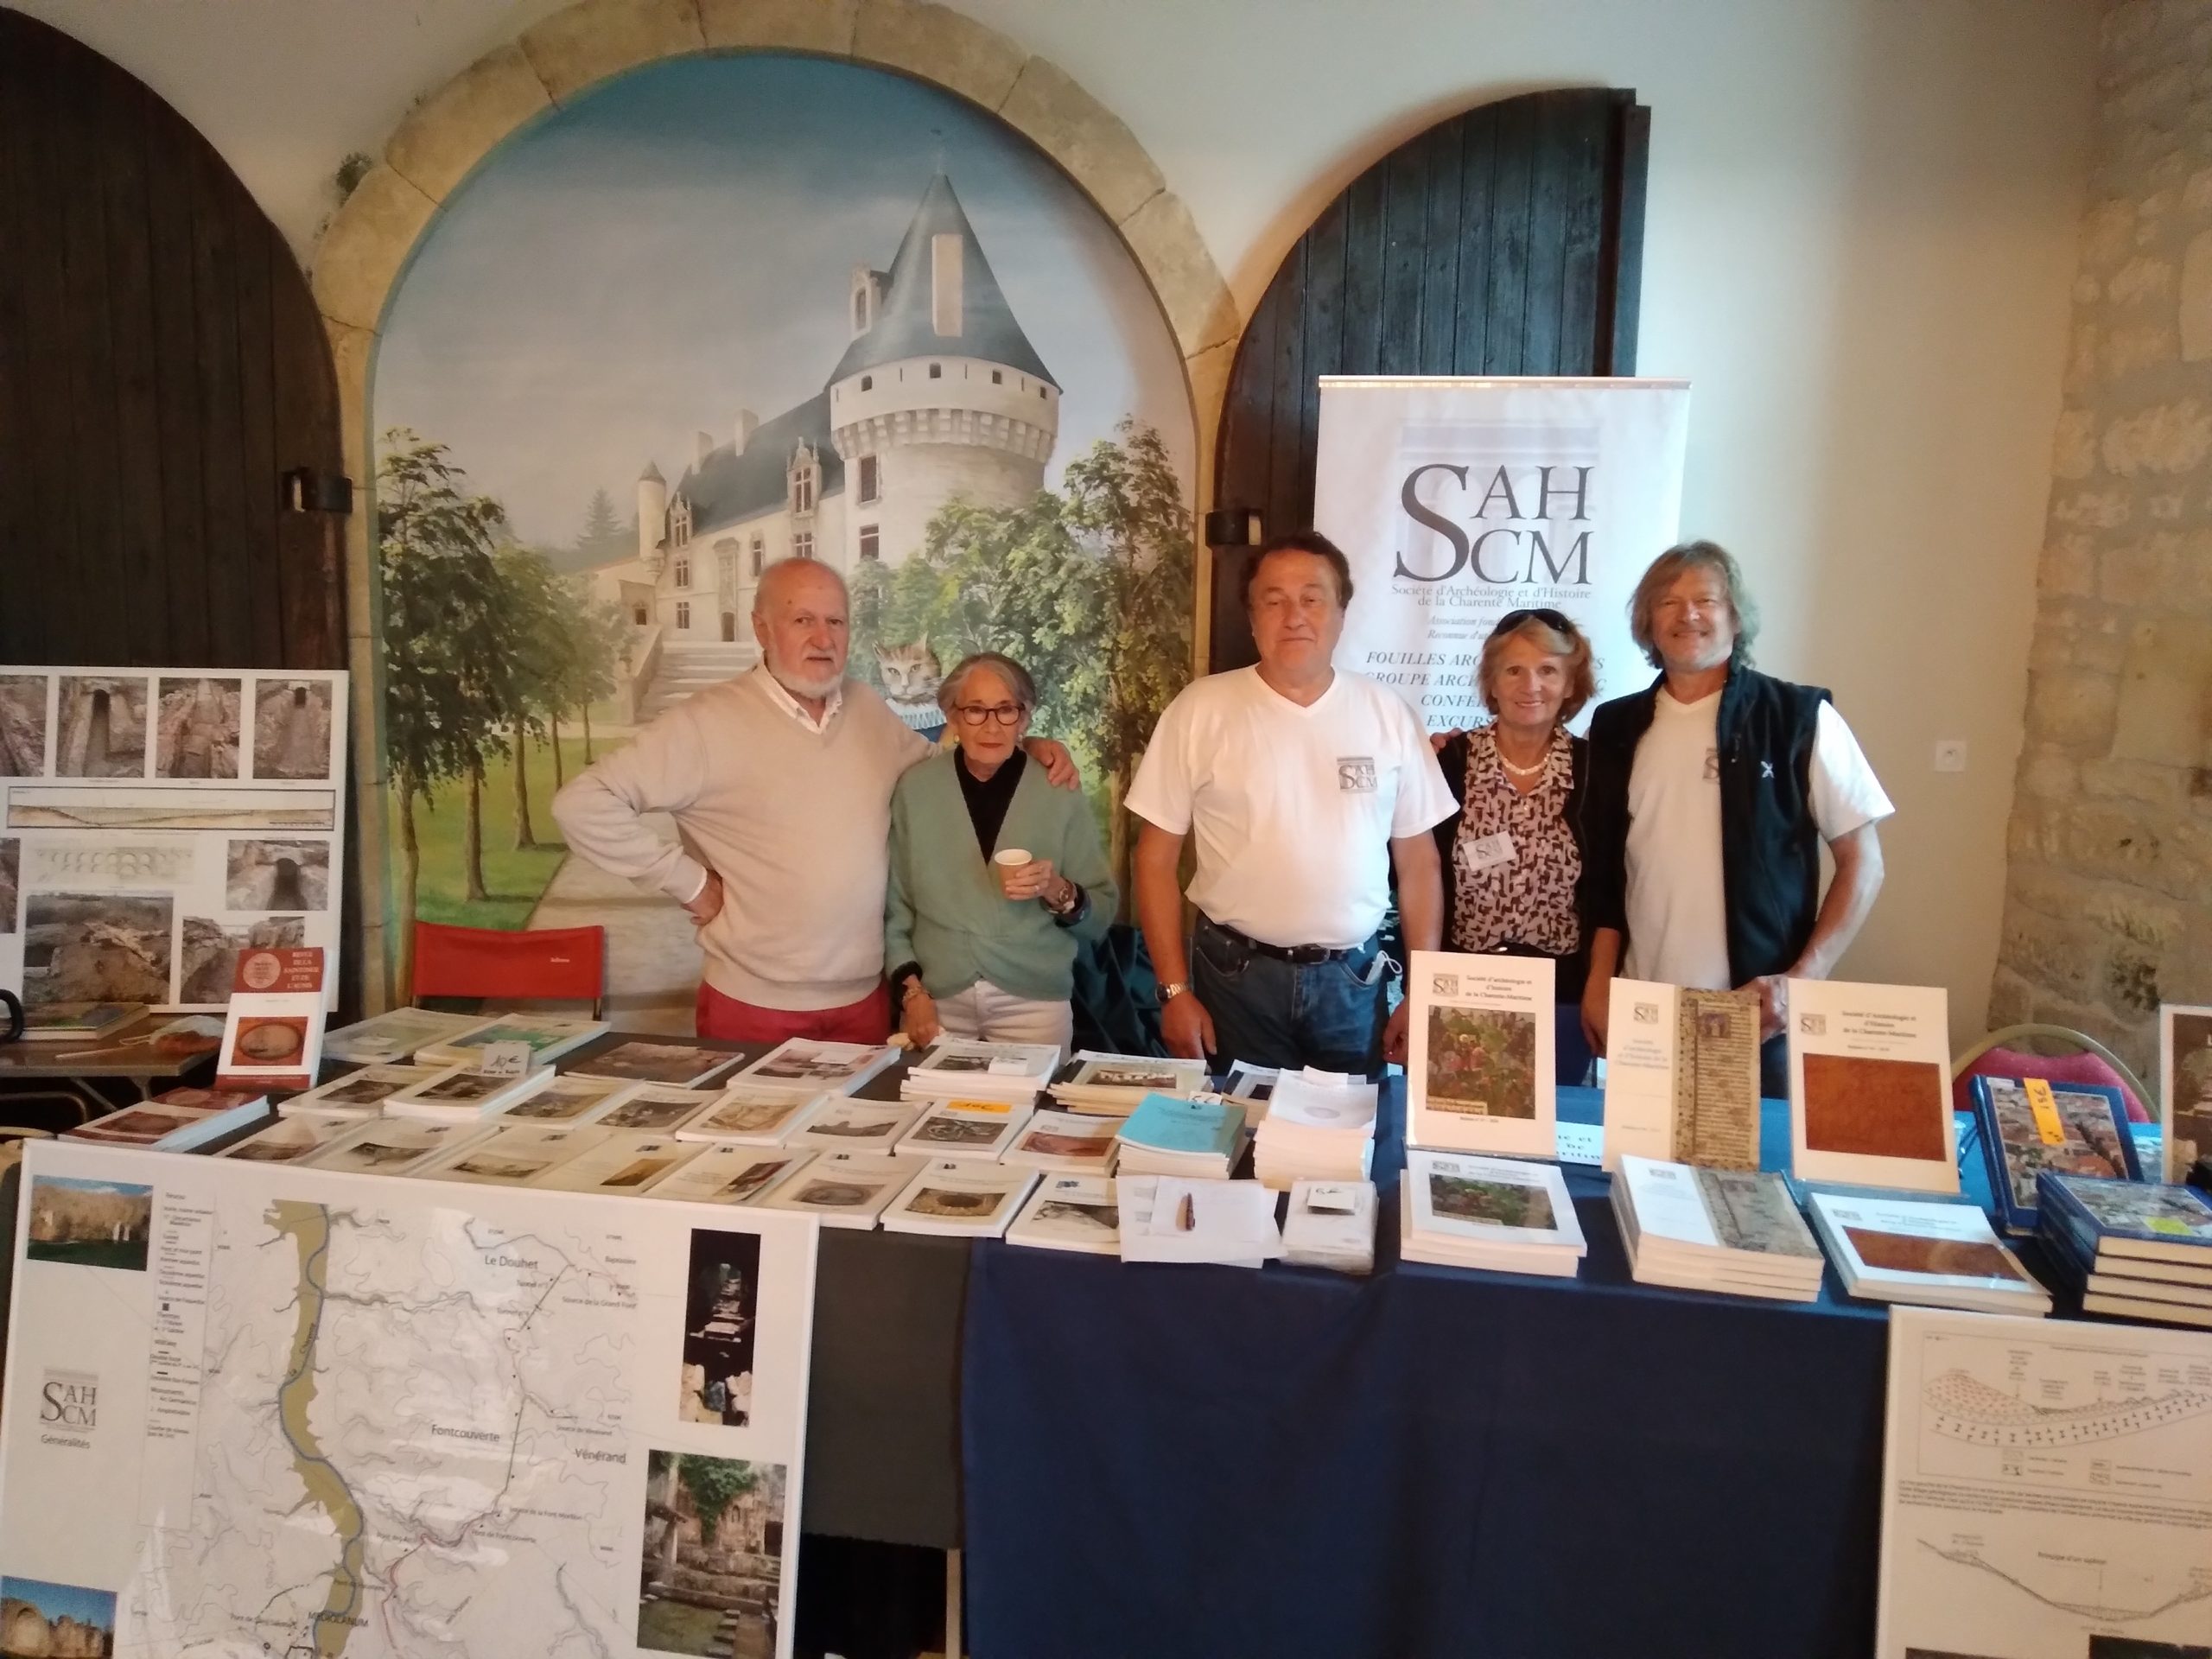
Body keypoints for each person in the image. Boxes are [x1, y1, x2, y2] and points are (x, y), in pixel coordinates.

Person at [551, 558, 1077, 1044]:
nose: (823, 638)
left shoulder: (867, 707)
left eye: (837, 622)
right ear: (762, 628)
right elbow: (582, 805)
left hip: (866, 1001)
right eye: (803, 620)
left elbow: (948, 768)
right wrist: (689, 883)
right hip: (753, 1004)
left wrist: (1020, 744)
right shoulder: (704, 722)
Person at [1128, 531, 1455, 1074]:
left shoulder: (1387, 713)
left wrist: (1425, 990)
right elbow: (1154, 859)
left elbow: (1419, 863)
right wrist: (1172, 990)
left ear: (1342, 612)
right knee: (1237, 1137)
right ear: (1252, 617)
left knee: (1349, 1144)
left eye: (1312, 598)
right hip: (1233, 978)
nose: (1294, 616)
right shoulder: (1199, 710)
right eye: (1273, 601)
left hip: (1352, 983)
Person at [1579, 541, 1892, 1097]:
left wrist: (1804, 979)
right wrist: (1600, 983)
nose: (1689, 614)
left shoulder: (1797, 716)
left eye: (1707, 599)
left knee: (1746, 1181)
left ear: (1735, 616)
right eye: (1668, 602)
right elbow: (1605, 873)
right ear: (1647, 622)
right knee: (1635, 1173)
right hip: (1645, 1010)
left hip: (1756, 1012)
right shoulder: (1616, 725)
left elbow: (1862, 862)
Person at [887, 652, 1116, 1051]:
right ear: (953, 715)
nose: (991, 726)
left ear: (1024, 718)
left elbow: (1101, 917)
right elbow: (895, 910)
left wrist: (1056, 889)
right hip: (937, 1001)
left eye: (1006, 710)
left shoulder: (1058, 790)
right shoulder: (915, 790)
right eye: (976, 710)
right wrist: (912, 993)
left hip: (1034, 1003)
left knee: (1032, 1111)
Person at [1432, 608, 1596, 1082]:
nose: (1531, 685)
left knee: (1552, 1124)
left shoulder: (1594, 769)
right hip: (1465, 986)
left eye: (1548, 670)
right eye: (1514, 670)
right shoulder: (1451, 762)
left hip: (1562, 994)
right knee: (1465, 1118)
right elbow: (1418, 878)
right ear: (1493, 683)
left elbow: (1610, 889)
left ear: (1569, 684)